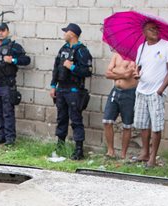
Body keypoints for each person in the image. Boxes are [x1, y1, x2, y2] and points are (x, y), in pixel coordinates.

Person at [131, 20, 168, 167]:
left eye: (156, 29)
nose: (155, 31)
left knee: (156, 126)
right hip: (142, 90)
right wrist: (136, 74)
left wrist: (161, 89)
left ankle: (153, 158)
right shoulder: (141, 48)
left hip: (156, 92)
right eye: (151, 29)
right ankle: (144, 153)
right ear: (144, 32)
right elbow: (138, 67)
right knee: (143, 124)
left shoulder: (167, 46)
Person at [0, 22, 30, 145]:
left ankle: (10, 138)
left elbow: (26, 60)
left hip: (7, 85)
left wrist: (13, 60)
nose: (1, 33)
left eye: (3, 30)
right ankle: (1, 136)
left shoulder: (14, 47)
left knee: (8, 112)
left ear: (7, 32)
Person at [49, 23, 93, 160]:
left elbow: (88, 71)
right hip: (61, 90)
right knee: (61, 118)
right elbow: (56, 68)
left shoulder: (82, 51)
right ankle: (60, 146)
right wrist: (52, 86)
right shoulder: (63, 49)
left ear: (72, 34)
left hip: (74, 91)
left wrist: (72, 67)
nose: (64, 34)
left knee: (75, 120)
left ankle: (79, 150)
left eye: (66, 31)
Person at [102, 46, 138, 160]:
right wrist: (122, 73)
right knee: (107, 121)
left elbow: (130, 75)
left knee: (127, 125)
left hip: (129, 93)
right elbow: (107, 73)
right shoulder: (117, 55)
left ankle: (123, 154)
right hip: (115, 91)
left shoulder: (136, 57)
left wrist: (115, 71)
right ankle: (110, 151)